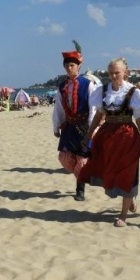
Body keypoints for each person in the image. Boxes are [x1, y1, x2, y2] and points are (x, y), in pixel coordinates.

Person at [78, 58, 140, 227]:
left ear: (125, 72)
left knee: (128, 172)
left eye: (117, 72)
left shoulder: (133, 92)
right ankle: (129, 199)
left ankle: (123, 214)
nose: (113, 75)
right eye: (110, 72)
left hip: (128, 138)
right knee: (109, 171)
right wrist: (88, 136)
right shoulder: (102, 91)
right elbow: (98, 116)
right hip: (107, 137)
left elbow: (139, 119)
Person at [52, 41, 98, 201]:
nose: (69, 68)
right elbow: (58, 107)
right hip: (69, 126)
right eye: (67, 65)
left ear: (78, 66)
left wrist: (92, 128)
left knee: (82, 158)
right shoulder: (62, 86)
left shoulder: (88, 84)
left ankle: (80, 189)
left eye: (72, 65)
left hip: (85, 125)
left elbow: (93, 107)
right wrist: (56, 126)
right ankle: (83, 176)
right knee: (64, 158)